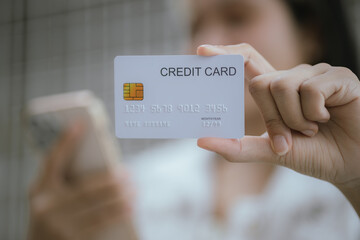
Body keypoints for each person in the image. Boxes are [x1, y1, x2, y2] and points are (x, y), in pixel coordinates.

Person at [27, 0, 360, 239]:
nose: (205, 42)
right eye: (195, 25)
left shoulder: (351, 170)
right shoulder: (134, 188)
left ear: (310, 34)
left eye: (237, 16)